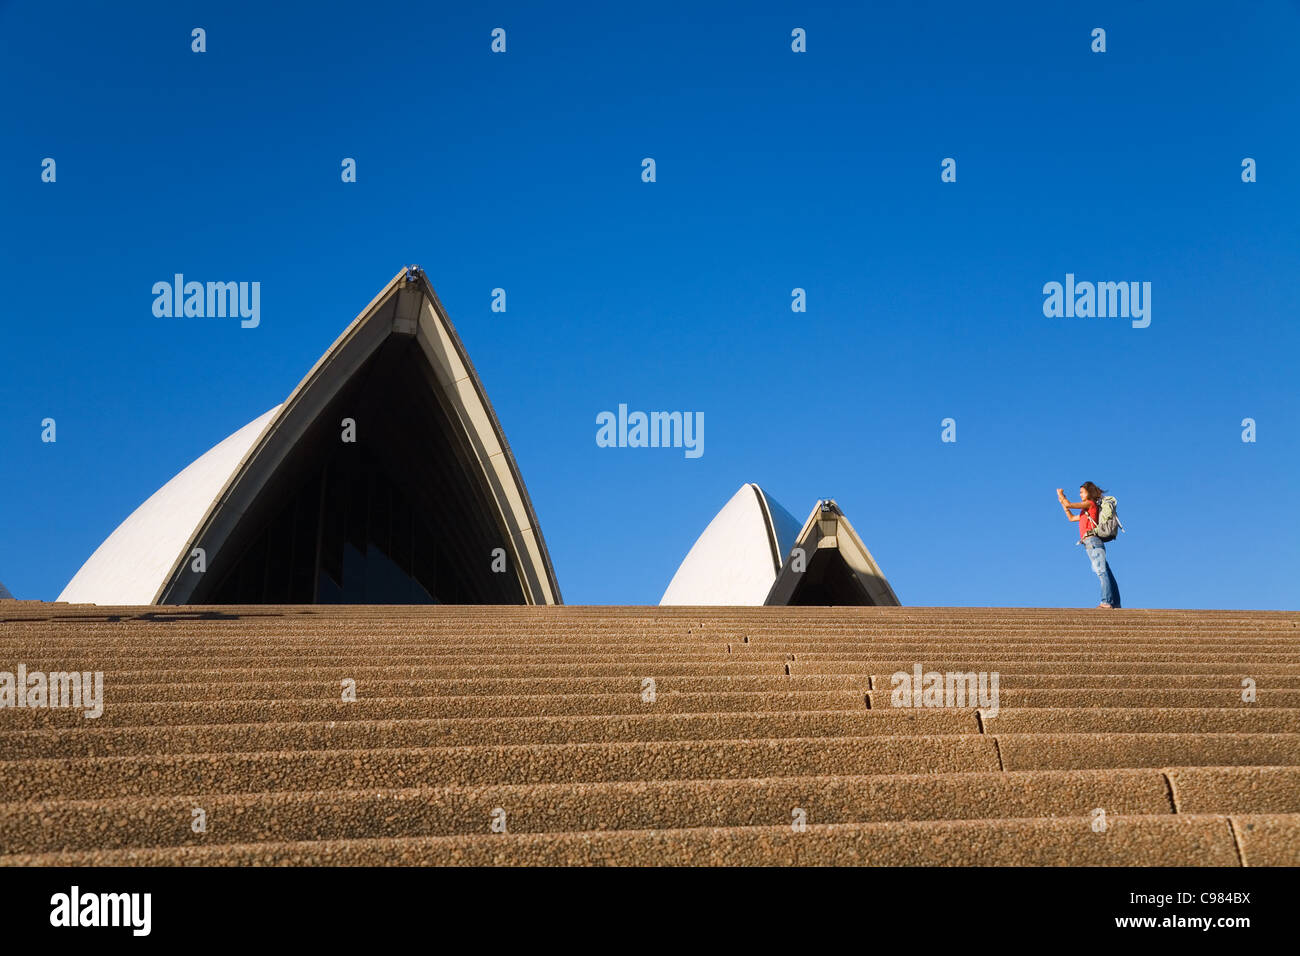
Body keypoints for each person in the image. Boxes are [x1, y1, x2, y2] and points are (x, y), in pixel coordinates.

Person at [1057, 482, 1121, 609]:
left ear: (1089, 492)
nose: (1080, 494)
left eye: (1082, 492)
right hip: (1092, 542)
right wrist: (1062, 501)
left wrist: (1061, 495)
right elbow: (1070, 517)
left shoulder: (1090, 504)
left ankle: (1106, 602)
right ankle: (1116, 603)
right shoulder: (1084, 511)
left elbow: (1069, 504)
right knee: (1106, 571)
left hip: (1092, 541)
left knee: (1101, 572)